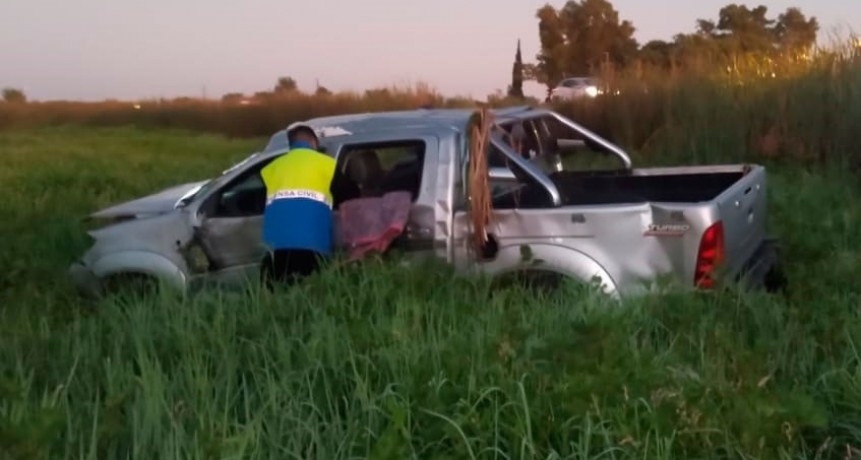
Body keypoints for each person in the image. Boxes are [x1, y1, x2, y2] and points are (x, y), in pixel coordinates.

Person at [259, 123, 340, 287]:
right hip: (313, 248)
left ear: (291, 145)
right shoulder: (327, 165)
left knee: (277, 302)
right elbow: (350, 193)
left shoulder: (272, 168)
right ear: (313, 142)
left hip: (275, 251)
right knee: (312, 299)